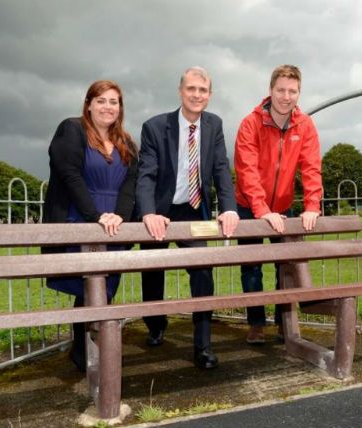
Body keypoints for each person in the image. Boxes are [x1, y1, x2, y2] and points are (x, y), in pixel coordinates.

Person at [136, 66, 239, 370]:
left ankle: (203, 345)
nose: (197, 95)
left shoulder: (214, 125)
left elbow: (221, 168)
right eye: (191, 89)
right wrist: (148, 213)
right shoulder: (155, 127)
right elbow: (146, 174)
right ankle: (155, 325)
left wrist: (229, 207)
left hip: (194, 210)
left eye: (203, 90)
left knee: (202, 270)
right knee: (153, 270)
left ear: (209, 95)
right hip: (161, 211)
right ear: (181, 91)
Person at [42, 80, 138, 371]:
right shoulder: (72, 130)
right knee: (87, 289)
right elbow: (70, 176)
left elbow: (131, 184)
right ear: (88, 104)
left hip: (113, 225)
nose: (108, 107)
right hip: (80, 216)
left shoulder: (127, 142)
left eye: (114, 102)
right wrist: (95, 216)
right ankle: (84, 353)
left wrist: (119, 216)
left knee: (105, 289)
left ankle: (93, 349)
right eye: (101, 101)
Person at [234, 64, 322, 344]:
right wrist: (262, 211)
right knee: (252, 266)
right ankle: (256, 323)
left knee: (286, 266)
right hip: (249, 206)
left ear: (299, 93)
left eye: (292, 91)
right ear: (270, 90)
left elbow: (311, 167)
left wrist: (312, 206)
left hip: (284, 205)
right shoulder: (251, 123)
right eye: (281, 90)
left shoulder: (304, 124)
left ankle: (284, 320)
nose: (286, 96)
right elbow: (246, 170)